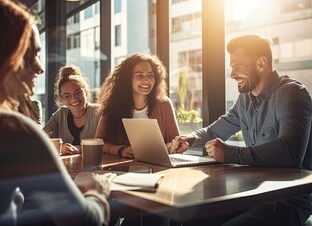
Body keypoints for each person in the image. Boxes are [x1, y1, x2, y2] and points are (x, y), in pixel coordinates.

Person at [0, 0, 115, 226]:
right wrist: (97, 193)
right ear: (3, 55)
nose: (39, 68)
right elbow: (84, 221)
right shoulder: (11, 130)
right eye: (33, 54)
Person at [170, 34, 312, 226]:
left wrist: (230, 153)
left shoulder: (292, 94)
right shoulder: (245, 99)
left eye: (237, 67)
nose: (232, 75)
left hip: (287, 203)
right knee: (190, 220)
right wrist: (191, 138)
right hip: (252, 195)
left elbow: (290, 152)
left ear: (261, 64)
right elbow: (214, 131)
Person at [96, 53, 180, 158]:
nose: (147, 80)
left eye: (150, 75)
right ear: (128, 79)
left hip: (157, 167)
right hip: (123, 167)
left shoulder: (164, 104)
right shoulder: (113, 105)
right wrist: (121, 150)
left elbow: (175, 140)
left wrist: (173, 146)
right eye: (140, 75)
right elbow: (98, 142)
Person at [44, 65, 101, 155]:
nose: (74, 99)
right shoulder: (61, 114)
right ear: (61, 99)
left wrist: (79, 149)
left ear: (86, 92)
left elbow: (105, 144)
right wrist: (58, 147)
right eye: (67, 96)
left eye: (78, 92)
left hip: (95, 165)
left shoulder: (99, 112)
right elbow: (42, 136)